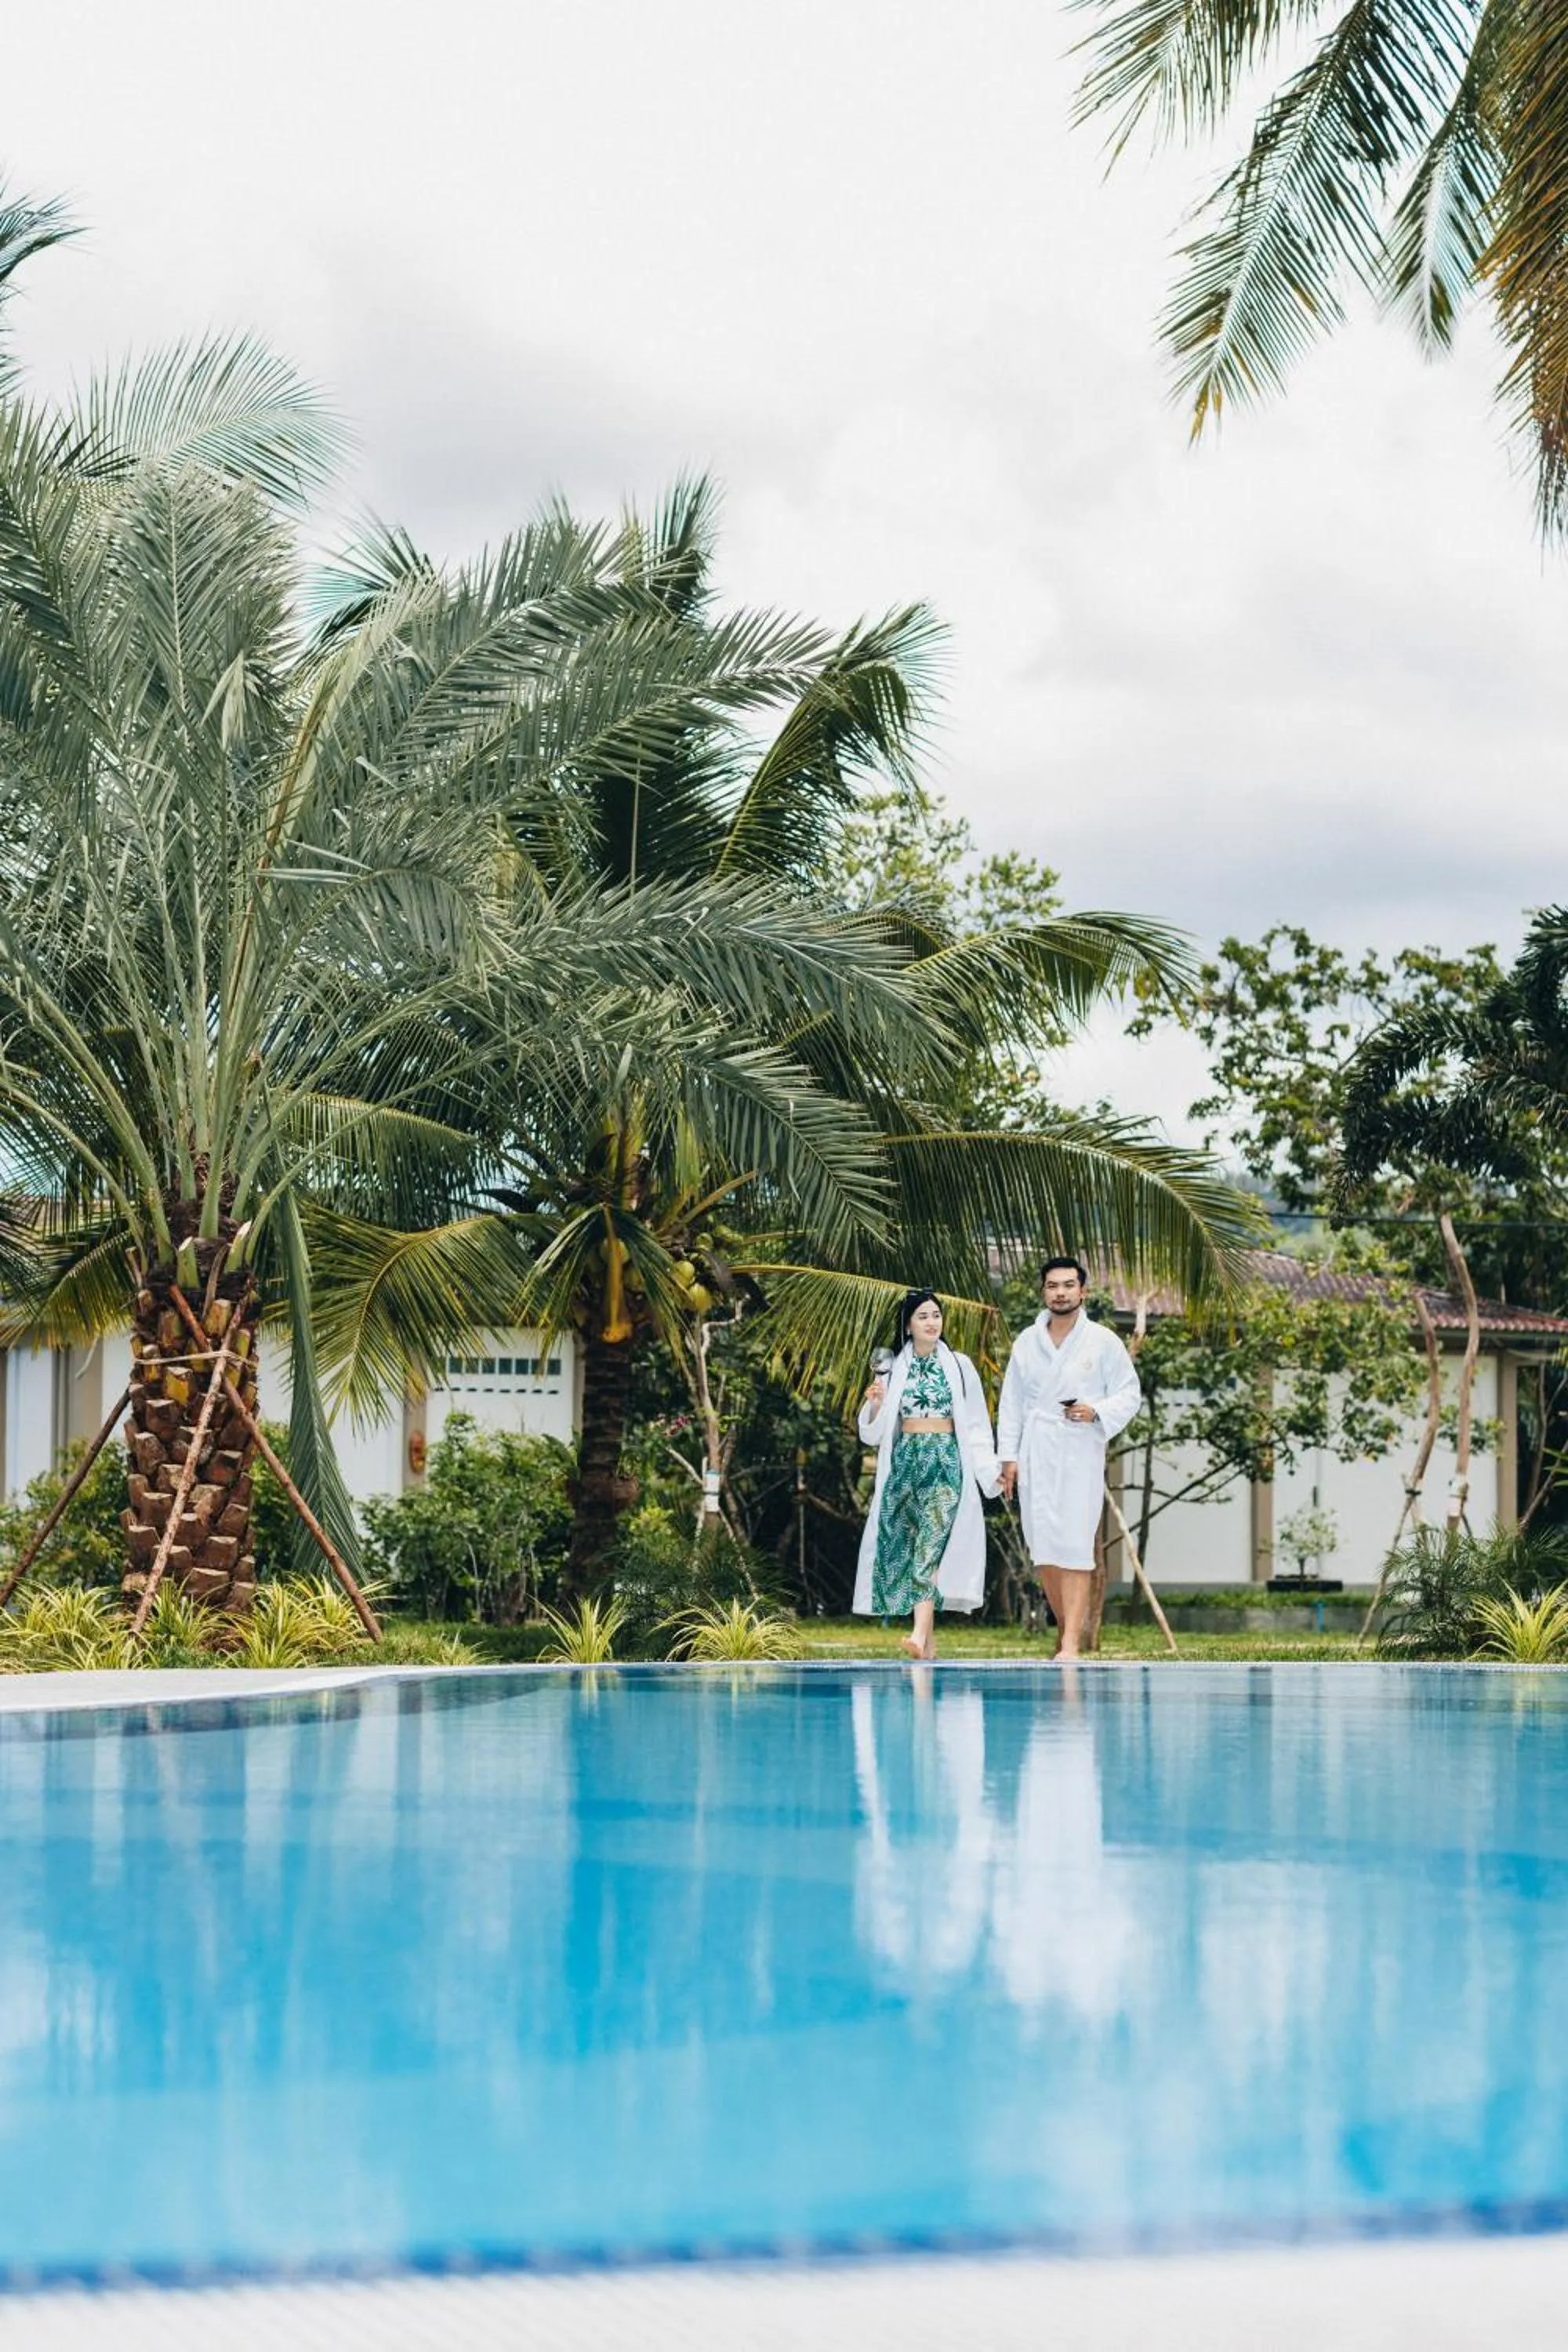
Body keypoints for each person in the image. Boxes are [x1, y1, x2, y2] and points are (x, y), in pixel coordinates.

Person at [996, 1256, 1142, 1661]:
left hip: (1079, 1449)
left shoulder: (1103, 1341)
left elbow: (1130, 1393)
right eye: (1052, 1286)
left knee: (1076, 1544)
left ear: (1083, 1291)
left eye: (1068, 1285)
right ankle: (1066, 1632)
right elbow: (1011, 1403)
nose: (1060, 1292)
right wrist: (1008, 1457)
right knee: (1043, 1548)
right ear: (1044, 1291)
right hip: (1037, 1449)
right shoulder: (1027, 1341)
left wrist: (1096, 1411)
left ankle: (1072, 1644)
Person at [854, 1290, 1000, 1660]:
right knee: (912, 1548)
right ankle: (928, 1649)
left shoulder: (960, 1365)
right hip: (905, 1465)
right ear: (908, 1324)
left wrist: (989, 1472)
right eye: (923, 1316)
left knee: (931, 1547)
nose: (932, 1322)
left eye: (936, 1315)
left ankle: (918, 1634)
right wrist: (874, 1405)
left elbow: (978, 1424)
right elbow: (870, 1434)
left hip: (946, 1463)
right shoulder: (891, 1368)